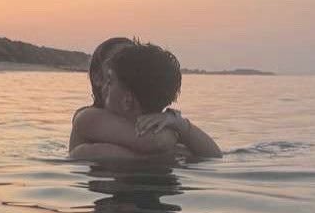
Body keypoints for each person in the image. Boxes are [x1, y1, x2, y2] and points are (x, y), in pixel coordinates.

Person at [70, 40, 222, 160]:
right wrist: (175, 141)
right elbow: (156, 142)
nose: (105, 87)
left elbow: (215, 156)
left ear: (128, 100)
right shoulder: (88, 117)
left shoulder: (162, 122)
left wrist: (178, 123)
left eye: (110, 81)